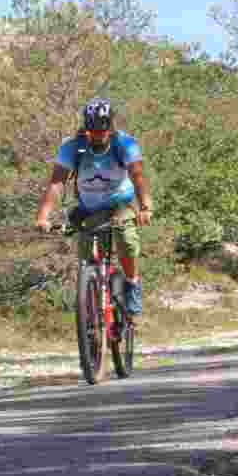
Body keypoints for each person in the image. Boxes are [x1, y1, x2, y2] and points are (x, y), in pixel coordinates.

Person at [35, 97, 153, 334]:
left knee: (126, 240)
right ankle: (91, 303)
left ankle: (132, 287)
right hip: (88, 208)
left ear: (110, 126)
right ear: (85, 127)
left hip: (120, 205)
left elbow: (138, 177)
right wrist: (43, 216)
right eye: (92, 130)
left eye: (102, 129)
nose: (97, 135)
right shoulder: (73, 147)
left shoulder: (124, 144)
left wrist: (146, 207)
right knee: (87, 259)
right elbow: (57, 182)